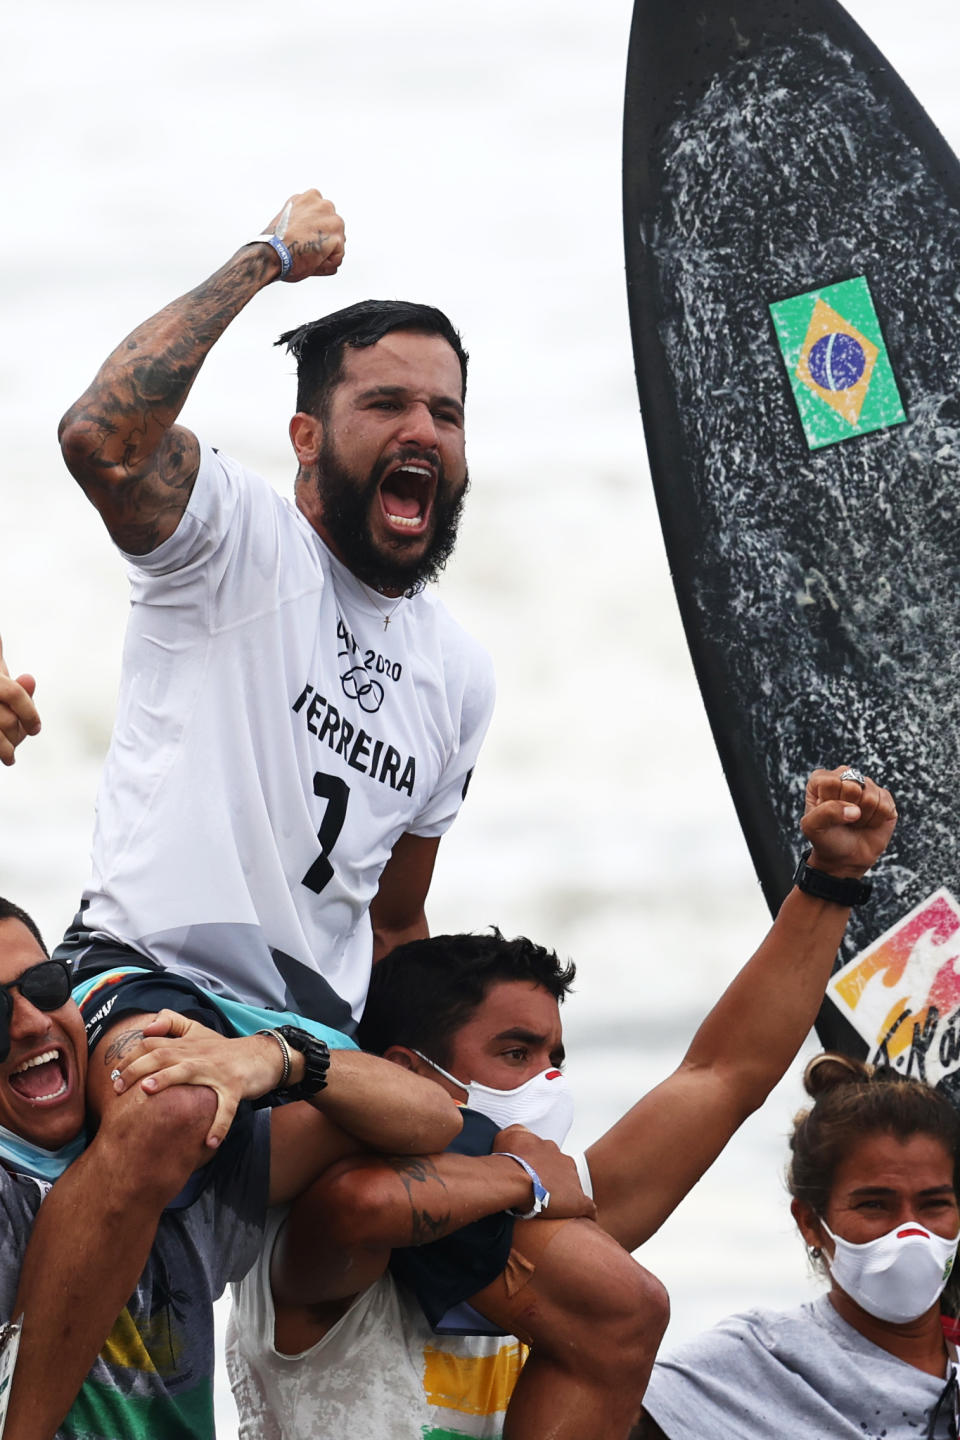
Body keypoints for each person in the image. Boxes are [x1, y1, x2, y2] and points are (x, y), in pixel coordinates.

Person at [193, 764, 896, 1438]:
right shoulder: (314, 1215)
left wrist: (832, 880)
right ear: (413, 1072)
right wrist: (522, 1177)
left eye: (555, 1058)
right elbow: (362, 1208)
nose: (547, 1082)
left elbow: (723, 1074)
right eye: (515, 1053)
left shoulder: (557, 1216)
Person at [55, 187, 494, 1030]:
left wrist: (438, 1076)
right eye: (385, 404)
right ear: (306, 438)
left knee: (507, 1159)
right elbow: (100, 442)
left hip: (313, 1038)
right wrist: (268, 257)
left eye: (446, 414)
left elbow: (394, 925)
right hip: (148, 982)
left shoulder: (460, 674)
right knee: (180, 1107)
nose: (424, 432)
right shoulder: (233, 535)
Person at [0, 897, 462, 1440]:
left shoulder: (191, 1159)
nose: (31, 1023)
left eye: (44, 987)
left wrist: (275, 1058)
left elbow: (434, 1118)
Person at [638, 1054, 960, 1440]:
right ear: (809, 1221)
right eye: (874, 1204)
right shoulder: (746, 1369)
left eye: (934, 1204)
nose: (911, 1232)